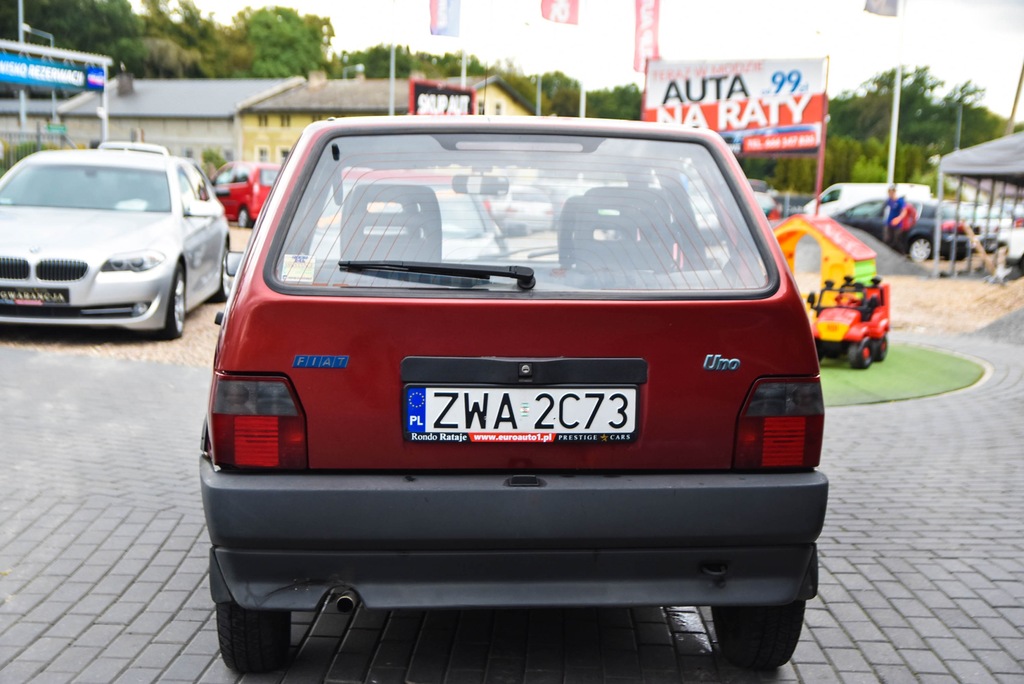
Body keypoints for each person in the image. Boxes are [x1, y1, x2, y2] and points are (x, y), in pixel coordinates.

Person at [885, 184, 908, 249]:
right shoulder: (889, 200)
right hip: (890, 223)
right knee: (888, 240)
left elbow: (904, 211)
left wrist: (899, 218)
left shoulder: (900, 201)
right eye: (889, 192)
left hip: (897, 225)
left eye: (892, 192)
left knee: (897, 241)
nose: (890, 194)